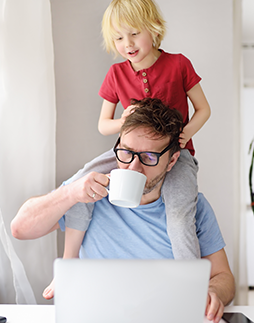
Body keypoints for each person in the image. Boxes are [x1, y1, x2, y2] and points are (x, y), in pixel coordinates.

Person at [11, 98, 235, 323]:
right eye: (126, 153)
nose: (133, 167)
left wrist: (213, 292)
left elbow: (223, 277)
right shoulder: (88, 194)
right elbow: (20, 228)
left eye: (149, 157)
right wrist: (69, 193)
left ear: (172, 160)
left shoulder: (193, 207)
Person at [46, 0, 212, 297]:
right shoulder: (115, 74)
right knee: (82, 186)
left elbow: (203, 109)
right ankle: (67, 269)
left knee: (179, 214)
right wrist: (123, 121)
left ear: (153, 29)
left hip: (175, 156)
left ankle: (191, 289)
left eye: (134, 34)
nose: (127, 44)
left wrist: (186, 135)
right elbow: (103, 125)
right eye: (119, 38)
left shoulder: (179, 64)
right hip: (125, 153)